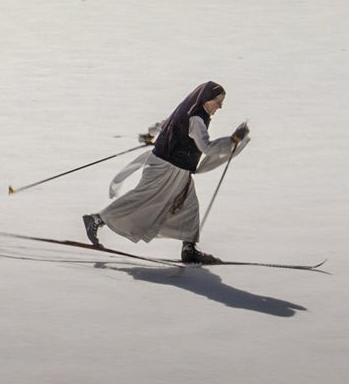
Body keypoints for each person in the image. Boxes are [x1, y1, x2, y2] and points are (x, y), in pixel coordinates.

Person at [83, 81, 247, 264]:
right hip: (164, 167)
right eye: (218, 101)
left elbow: (166, 123)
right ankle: (96, 219)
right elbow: (207, 147)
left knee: (189, 205)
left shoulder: (189, 111)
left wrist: (150, 134)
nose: (220, 106)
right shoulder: (196, 118)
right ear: (207, 99)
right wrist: (232, 141)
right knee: (142, 198)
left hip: (179, 170)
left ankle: (189, 248)